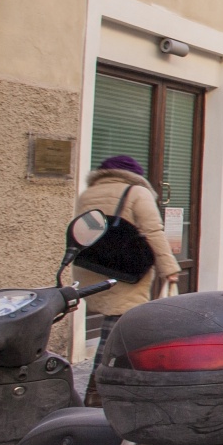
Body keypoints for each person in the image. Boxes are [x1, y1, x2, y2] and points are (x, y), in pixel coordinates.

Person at [73, 155, 183, 404]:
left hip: (92, 266)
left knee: (117, 326)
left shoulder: (88, 193)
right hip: (126, 271)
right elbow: (153, 232)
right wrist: (169, 268)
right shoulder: (137, 192)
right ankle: (97, 393)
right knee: (117, 330)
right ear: (135, 174)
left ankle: (117, 388)